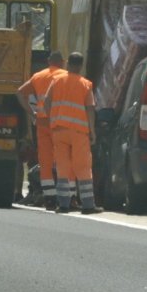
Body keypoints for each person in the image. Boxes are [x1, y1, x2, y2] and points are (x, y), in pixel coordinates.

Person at [44, 51, 103, 215]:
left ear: (68, 63)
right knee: (83, 166)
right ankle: (88, 205)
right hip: (78, 131)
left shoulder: (56, 80)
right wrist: (92, 131)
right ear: (81, 66)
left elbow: (46, 102)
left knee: (62, 167)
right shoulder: (85, 84)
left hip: (59, 130)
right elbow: (90, 109)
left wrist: (53, 119)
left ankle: (63, 205)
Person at [16, 51, 66, 210]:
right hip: (60, 123)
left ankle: (49, 198)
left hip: (42, 122)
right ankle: (65, 196)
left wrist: (31, 112)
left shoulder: (38, 76)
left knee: (45, 161)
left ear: (48, 61)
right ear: (63, 62)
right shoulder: (66, 76)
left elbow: (19, 93)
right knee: (63, 159)